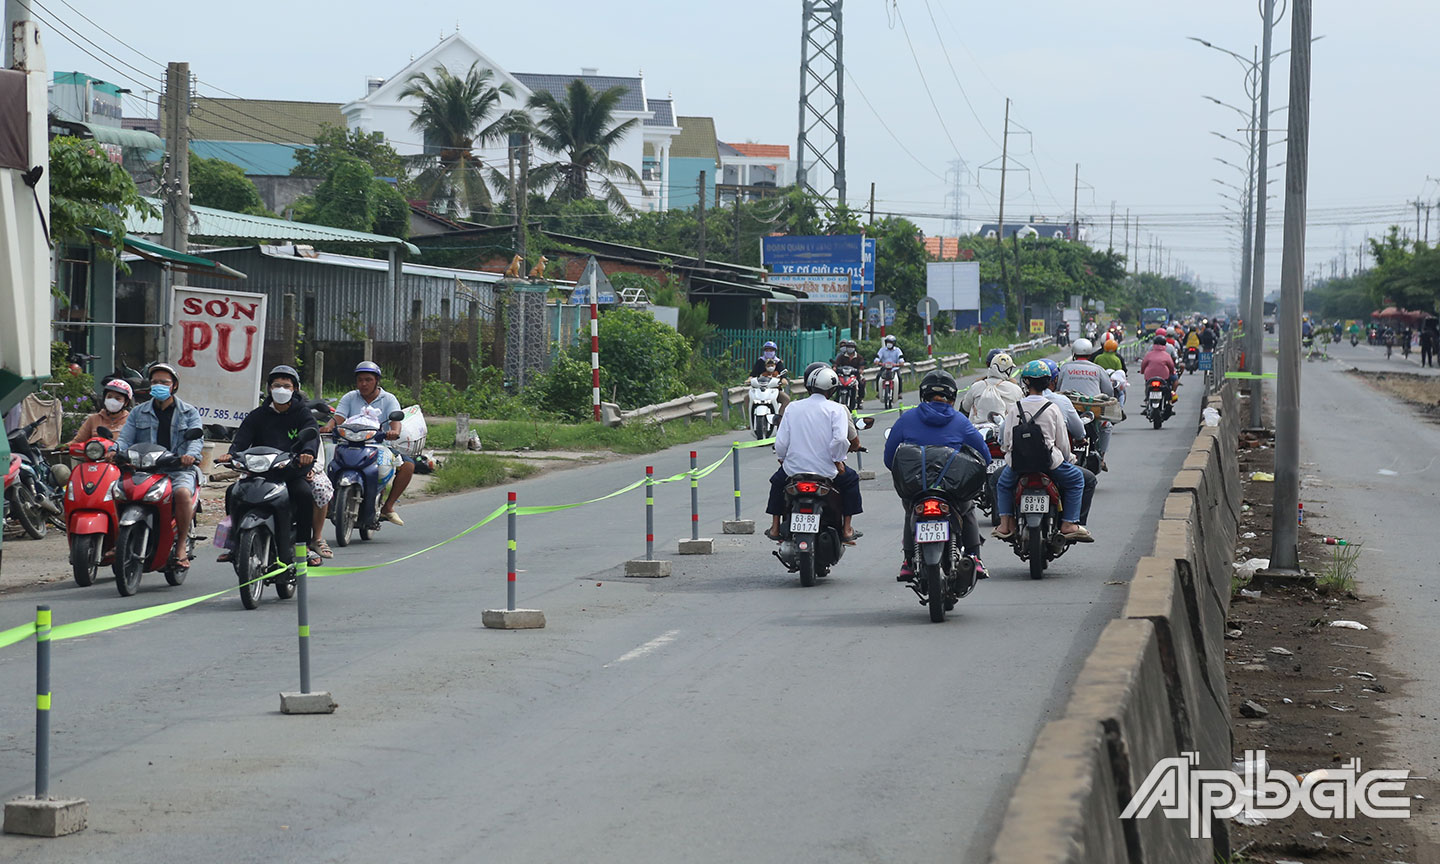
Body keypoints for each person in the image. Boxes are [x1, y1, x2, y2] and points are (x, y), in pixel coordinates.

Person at [883, 369, 989, 583]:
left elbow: (889, 458)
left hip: (917, 488)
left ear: (924, 394)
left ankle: (908, 562)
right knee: (967, 508)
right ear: (952, 397)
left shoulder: (907, 419)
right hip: (952, 489)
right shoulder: (961, 421)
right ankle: (974, 557)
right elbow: (984, 457)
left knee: (910, 511)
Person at [217, 366, 323, 568]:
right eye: (276, 385)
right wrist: (231, 454)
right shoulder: (258, 415)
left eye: (286, 385)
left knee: (303, 494)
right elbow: (242, 439)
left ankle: (304, 545)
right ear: (269, 388)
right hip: (259, 473)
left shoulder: (302, 413)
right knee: (233, 492)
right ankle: (234, 543)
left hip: (289, 473)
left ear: (295, 389)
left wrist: (308, 454)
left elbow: (311, 434)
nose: (281, 389)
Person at [115, 362, 203, 569]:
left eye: (164, 382)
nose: (159, 385)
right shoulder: (138, 412)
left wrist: (190, 456)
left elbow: (196, 439)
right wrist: (115, 451)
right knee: (117, 491)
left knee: (182, 494)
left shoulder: (189, 412)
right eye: (155, 382)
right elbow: (125, 438)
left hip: (177, 469)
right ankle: (118, 541)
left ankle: (180, 546)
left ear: (174, 386)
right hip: (145, 469)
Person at [992, 361, 1092, 543]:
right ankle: (1069, 524)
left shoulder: (1016, 408)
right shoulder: (1053, 408)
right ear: (1048, 382)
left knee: (1003, 484)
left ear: (1026, 382)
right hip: (1050, 463)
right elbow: (1062, 443)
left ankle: (1006, 524)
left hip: (1018, 464)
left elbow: (1007, 441)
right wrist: (1068, 459)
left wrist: (1009, 454)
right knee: (1077, 480)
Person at [766, 364, 862, 544]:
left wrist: (782, 459)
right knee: (851, 481)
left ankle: (775, 526)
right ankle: (847, 529)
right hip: (827, 471)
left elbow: (781, 442)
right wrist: (837, 460)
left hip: (794, 470)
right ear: (833, 388)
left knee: (777, 483)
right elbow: (841, 440)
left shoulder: (793, 407)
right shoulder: (837, 409)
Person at [321, 361, 413, 525]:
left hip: (379, 447)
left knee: (407, 465)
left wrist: (394, 432)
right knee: (327, 464)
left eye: (368, 380)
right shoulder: (350, 397)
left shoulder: (388, 399)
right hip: (348, 444)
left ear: (376, 381)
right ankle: (329, 502)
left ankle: (388, 507)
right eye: (360, 380)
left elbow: (395, 421)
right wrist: (328, 426)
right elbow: (338, 417)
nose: (363, 384)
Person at [1057, 339, 1116, 468]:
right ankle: (1102, 458)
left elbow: (1058, 386)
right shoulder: (1098, 369)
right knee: (1106, 426)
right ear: (1090, 354)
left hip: (1068, 408)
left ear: (1074, 353)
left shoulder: (1065, 367)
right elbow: (1109, 391)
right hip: (1092, 410)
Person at [960, 351, 1023, 422]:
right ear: (1008, 370)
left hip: (977, 429)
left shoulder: (976, 386)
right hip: (1004, 429)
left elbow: (965, 407)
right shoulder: (1014, 389)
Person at [69, 378, 133, 445]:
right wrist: (65, 446)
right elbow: (78, 441)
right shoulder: (93, 419)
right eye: (109, 397)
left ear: (126, 402)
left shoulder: (131, 420)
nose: (112, 401)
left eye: (118, 398)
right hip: (95, 454)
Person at [749, 341, 791, 415]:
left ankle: (779, 419)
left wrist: (784, 379)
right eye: (767, 350)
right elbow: (753, 374)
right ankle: (751, 420)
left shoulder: (778, 362)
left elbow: (783, 373)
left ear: (775, 351)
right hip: (760, 389)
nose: (769, 352)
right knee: (747, 398)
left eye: (771, 350)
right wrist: (750, 379)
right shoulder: (760, 361)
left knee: (786, 399)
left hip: (774, 390)